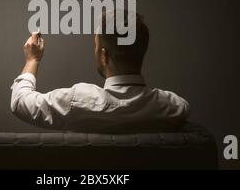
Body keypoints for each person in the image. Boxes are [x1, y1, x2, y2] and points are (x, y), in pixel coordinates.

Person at [10, 10, 190, 133]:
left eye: (96, 46)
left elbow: (20, 102)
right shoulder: (174, 107)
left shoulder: (77, 100)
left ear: (104, 56)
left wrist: (32, 60)